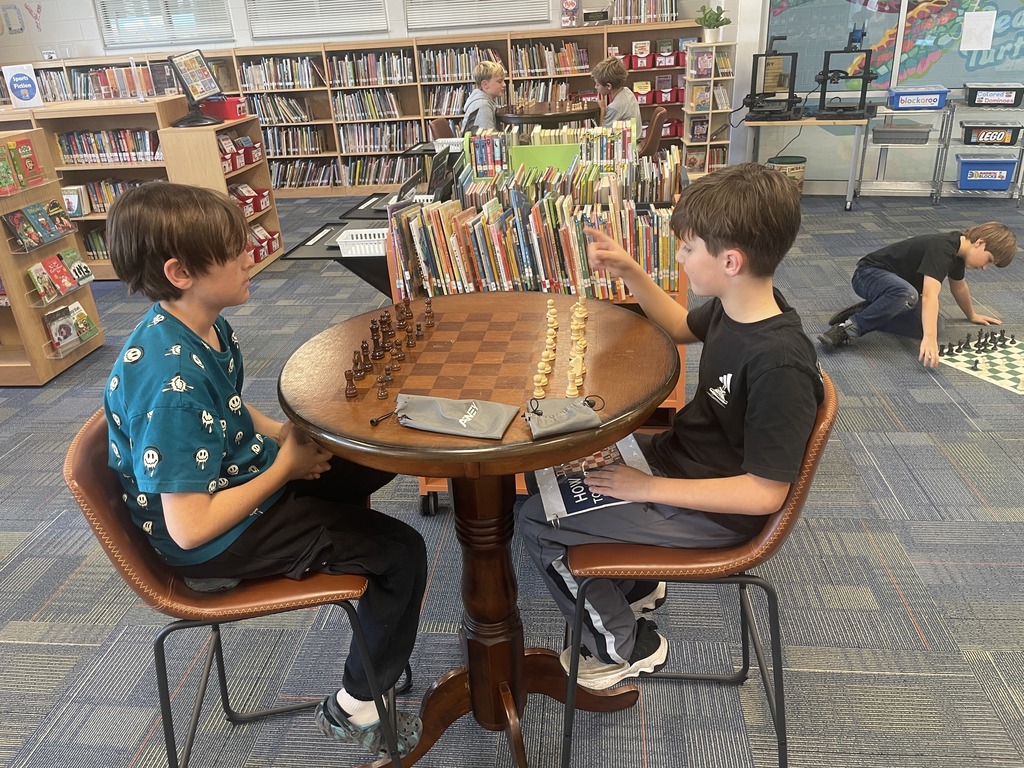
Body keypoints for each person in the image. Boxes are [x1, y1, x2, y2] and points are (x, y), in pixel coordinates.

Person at [103, 183, 427, 759]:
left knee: (366, 455)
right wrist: (285, 468)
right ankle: (353, 706)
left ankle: (344, 567)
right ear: (181, 272)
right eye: (233, 251)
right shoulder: (167, 385)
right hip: (215, 544)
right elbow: (189, 528)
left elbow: (227, 405)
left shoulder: (201, 325)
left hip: (239, 486)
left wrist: (284, 438)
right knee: (402, 554)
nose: (251, 253)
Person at [519, 163, 823, 690]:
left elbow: (765, 494)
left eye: (686, 249)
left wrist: (647, 487)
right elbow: (682, 327)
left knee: (535, 523)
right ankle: (635, 583)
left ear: (730, 260)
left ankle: (622, 645)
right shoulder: (737, 305)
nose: (680, 259)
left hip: (716, 514)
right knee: (547, 461)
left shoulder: (780, 365)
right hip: (678, 466)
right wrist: (632, 272)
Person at [818, 223, 1017, 367]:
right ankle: (848, 328)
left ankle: (869, 310)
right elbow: (930, 294)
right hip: (868, 275)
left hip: (898, 292)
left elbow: (959, 287)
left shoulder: (958, 256)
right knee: (908, 295)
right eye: (989, 260)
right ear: (980, 243)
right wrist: (929, 339)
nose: (984, 268)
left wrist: (971, 315)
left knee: (936, 326)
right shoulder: (944, 247)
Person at [590, 55, 642, 129]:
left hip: (628, 140)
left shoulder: (614, 108)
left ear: (608, 86)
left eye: (598, 84)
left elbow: (603, 133)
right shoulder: (627, 91)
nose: (595, 87)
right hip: (634, 136)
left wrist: (603, 108)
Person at [461, 60, 506, 132]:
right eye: (499, 81)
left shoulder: (486, 101)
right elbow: (487, 140)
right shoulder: (483, 105)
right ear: (485, 84)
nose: (504, 85)